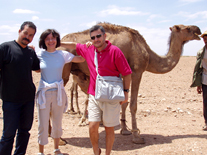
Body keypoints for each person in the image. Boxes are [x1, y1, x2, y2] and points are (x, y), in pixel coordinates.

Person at [61, 25, 132, 155]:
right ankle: (96, 151)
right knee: (93, 126)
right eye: (93, 37)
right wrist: (57, 43)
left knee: (109, 128)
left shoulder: (115, 51)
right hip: (94, 95)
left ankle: (108, 153)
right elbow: (74, 45)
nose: (96, 39)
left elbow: (127, 73)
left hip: (111, 95)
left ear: (105, 36)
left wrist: (126, 93)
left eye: (98, 36)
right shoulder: (89, 49)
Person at [36, 29, 85, 155]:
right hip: (44, 93)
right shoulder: (39, 54)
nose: (51, 41)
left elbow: (81, 59)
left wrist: (85, 47)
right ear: (43, 41)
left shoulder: (63, 54)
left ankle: (56, 149)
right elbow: (32, 66)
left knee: (57, 122)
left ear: (57, 40)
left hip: (58, 92)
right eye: (47, 39)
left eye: (53, 38)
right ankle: (40, 152)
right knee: (42, 123)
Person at [0, 21, 40, 155]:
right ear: (19, 31)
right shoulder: (5, 48)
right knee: (8, 135)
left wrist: (56, 57)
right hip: (10, 99)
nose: (27, 37)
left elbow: (38, 69)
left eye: (31, 35)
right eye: (25, 33)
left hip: (28, 99)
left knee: (24, 132)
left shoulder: (30, 52)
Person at [191, 30, 207, 130]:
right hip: (205, 79)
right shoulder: (201, 52)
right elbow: (198, 69)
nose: (206, 41)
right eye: (204, 39)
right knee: (206, 102)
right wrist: (198, 83)